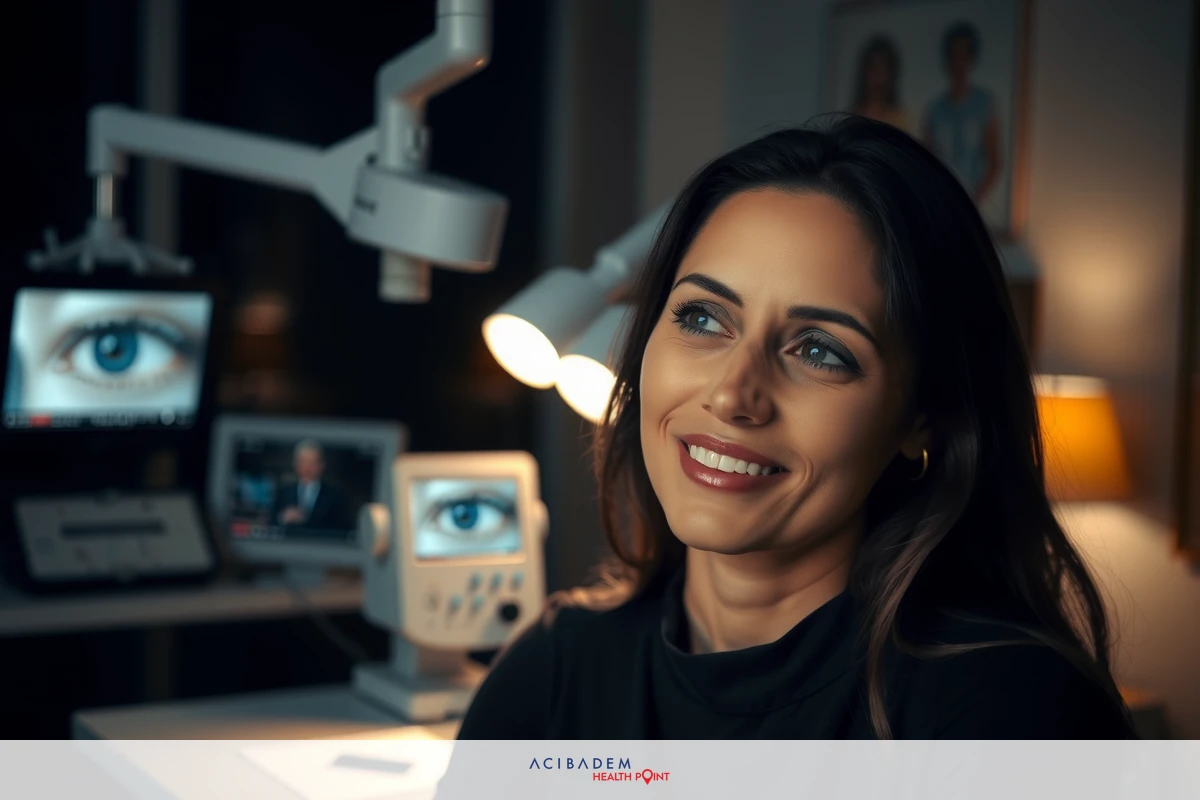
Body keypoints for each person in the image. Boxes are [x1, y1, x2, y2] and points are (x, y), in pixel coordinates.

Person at [453, 117, 1135, 739]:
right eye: (702, 318)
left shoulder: (1011, 709)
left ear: (924, 418)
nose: (732, 394)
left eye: (819, 351)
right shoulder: (553, 671)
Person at [923, 21, 1001, 205]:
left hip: (974, 201)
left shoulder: (984, 103)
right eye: (953, 55)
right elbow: (926, 159)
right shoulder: (935, 109)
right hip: (942, 200)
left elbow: (994, 161)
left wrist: (974, 200)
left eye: (963, 54)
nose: (958, 62)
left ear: (972, 58)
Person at [271, 440, 351, 532]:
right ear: (295, 464)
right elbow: (271, 523)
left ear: (322, 465)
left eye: (312, 463)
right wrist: (283, 518)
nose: (307, 468)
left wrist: (306, 519)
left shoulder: (334, 495)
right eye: (303, 462)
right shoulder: (283, 492)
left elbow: (342, 528)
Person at [851, 35, 909, 133]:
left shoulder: (899, 119)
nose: (878, 76)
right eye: (873, 68)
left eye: (883, 69)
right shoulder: (852, 118)